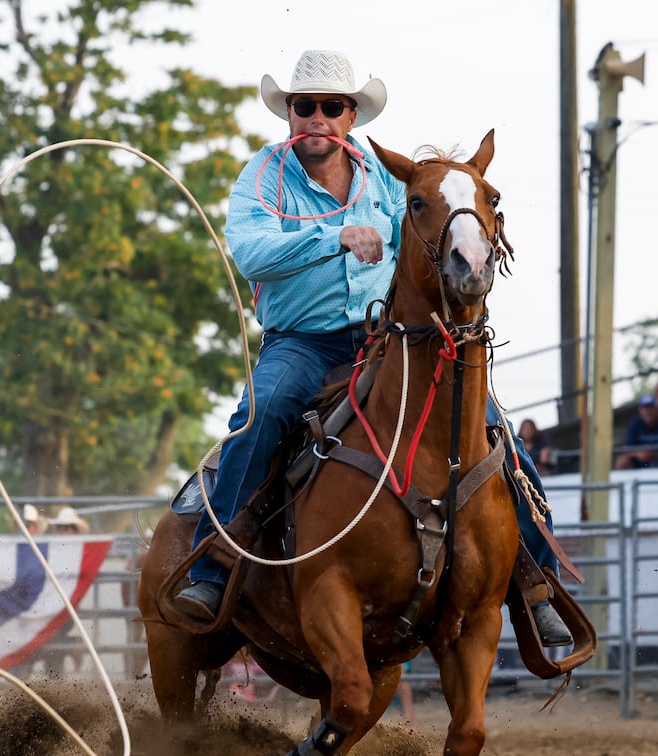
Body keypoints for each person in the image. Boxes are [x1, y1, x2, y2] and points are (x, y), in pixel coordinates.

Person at [171, 48, 570, 646]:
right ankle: (212, 566)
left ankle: (537, 580)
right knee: (261, 415)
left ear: (351, 115)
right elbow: (251, 251)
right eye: (304, 107)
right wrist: (335, 235)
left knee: (491, 427)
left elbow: (428, 233)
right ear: (289, 113)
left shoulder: (387, 176)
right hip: (302, 342)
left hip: (388, 339)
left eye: (331, 107)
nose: (317, 118)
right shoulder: (263, 175)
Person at [615, 394, 658, 469]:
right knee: (622, 462)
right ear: (640, 410)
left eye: (651, 408)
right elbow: (629, 449)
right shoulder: (634, 425)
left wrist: (656, 455)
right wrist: (639, 454)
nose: (648, 412)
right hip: (638, 462)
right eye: (645, 408)